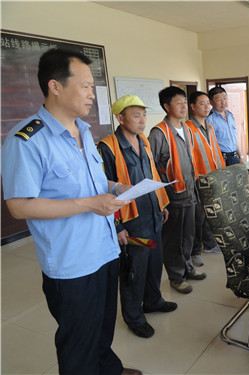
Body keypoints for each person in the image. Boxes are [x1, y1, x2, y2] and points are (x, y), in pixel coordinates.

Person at [1, 49, 141, 375]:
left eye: (94, 87)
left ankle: (109, 369)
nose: (93, 94)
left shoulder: (84, 130)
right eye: (87, 86)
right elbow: (18, 205)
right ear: (55, 86)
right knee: (78, 342)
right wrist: (89, 204)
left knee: (103, 327)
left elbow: (87, 181)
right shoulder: (27, 140)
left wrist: (114, 186)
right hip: (72, 262)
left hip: (104, 249)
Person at [98, 95, 177, 339]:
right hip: (131, 222)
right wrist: (118, 225)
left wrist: (161, 203)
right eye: (136, 115)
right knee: (134, 270)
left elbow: (151, 174)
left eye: (144, 114)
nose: (142, 120)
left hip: (151, 214)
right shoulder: (107, 147)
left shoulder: (143, 141)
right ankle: (134, 316)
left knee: (154, 262)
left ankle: (153, 300)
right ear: (120, 118)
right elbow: (103, 188)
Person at [148, 86, 207, 294]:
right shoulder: (158, 133)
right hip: (173, 196)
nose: (183, 106)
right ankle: (176, 275)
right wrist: (160, 199)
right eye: (178, 102)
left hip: (191, 192)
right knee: (173, 239)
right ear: (166, 106)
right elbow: (151, 167)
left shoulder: (188, 129)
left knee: (188, 236)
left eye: (184, 101)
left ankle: (188, 267)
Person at [186, 91, 225, 266]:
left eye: (208, 103)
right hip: (198, 179)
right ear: (192, 106)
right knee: (199, 216)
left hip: (213, 176)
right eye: (202, 103)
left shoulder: (209, 126)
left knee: (212, 211)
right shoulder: (187, 128)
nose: (207, 106)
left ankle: (210, 243)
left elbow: (215, 150)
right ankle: (199, 248)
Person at [206, 87, 245, 166]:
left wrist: (240, 156)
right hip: (221, 159)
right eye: (218, 99)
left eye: (225, 98)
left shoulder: (230, 115)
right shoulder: (209, 120)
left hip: (234, 157)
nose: (223, 102)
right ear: (211, 102)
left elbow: (234, 138)